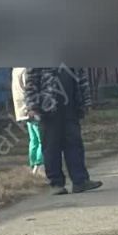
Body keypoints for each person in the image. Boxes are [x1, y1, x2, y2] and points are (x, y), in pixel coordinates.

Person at [24, 66, 102, 195]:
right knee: (51, 147)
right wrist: (32, 106)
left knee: (75, 145)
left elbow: (81, 80)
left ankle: (80, 181)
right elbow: (31, 83)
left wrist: (86, 102)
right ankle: (56, 184)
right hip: (48, 110)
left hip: (71, 107)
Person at [11, 67, 43, 174]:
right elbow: (29, 89)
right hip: (30, 109)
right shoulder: (26, 70)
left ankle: (33, 163)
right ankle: (38, 166)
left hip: (22, 110)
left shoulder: (16, 69)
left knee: (33, 139)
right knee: (42, 139)